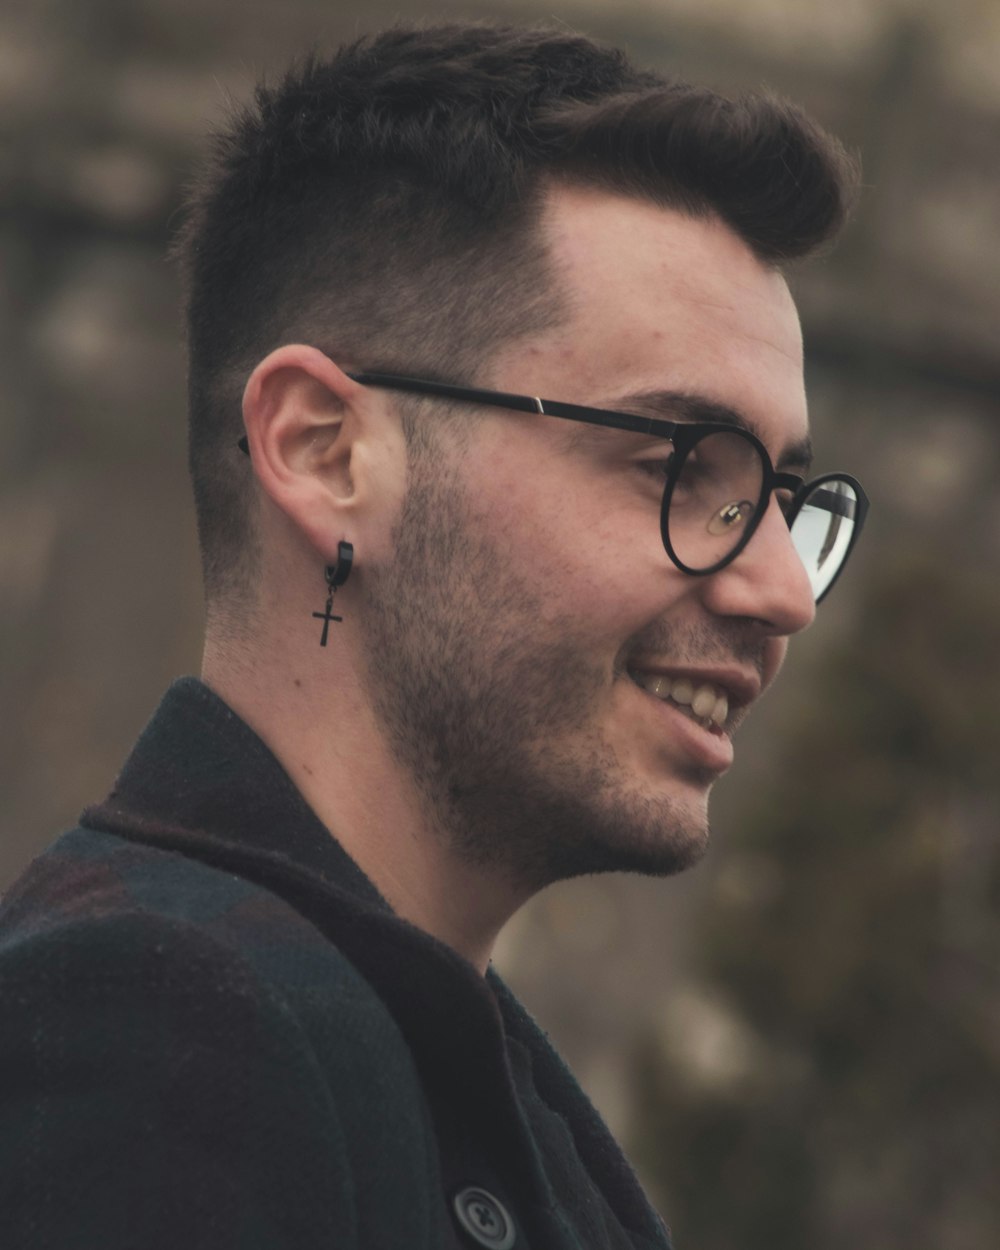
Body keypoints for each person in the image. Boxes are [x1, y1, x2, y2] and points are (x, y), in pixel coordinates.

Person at [0, 21, 868, 1249]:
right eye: (681, 465)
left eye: (780, 501)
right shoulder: (148, 1027)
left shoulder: (482, 1083)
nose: (782, 589)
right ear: (324, 451)